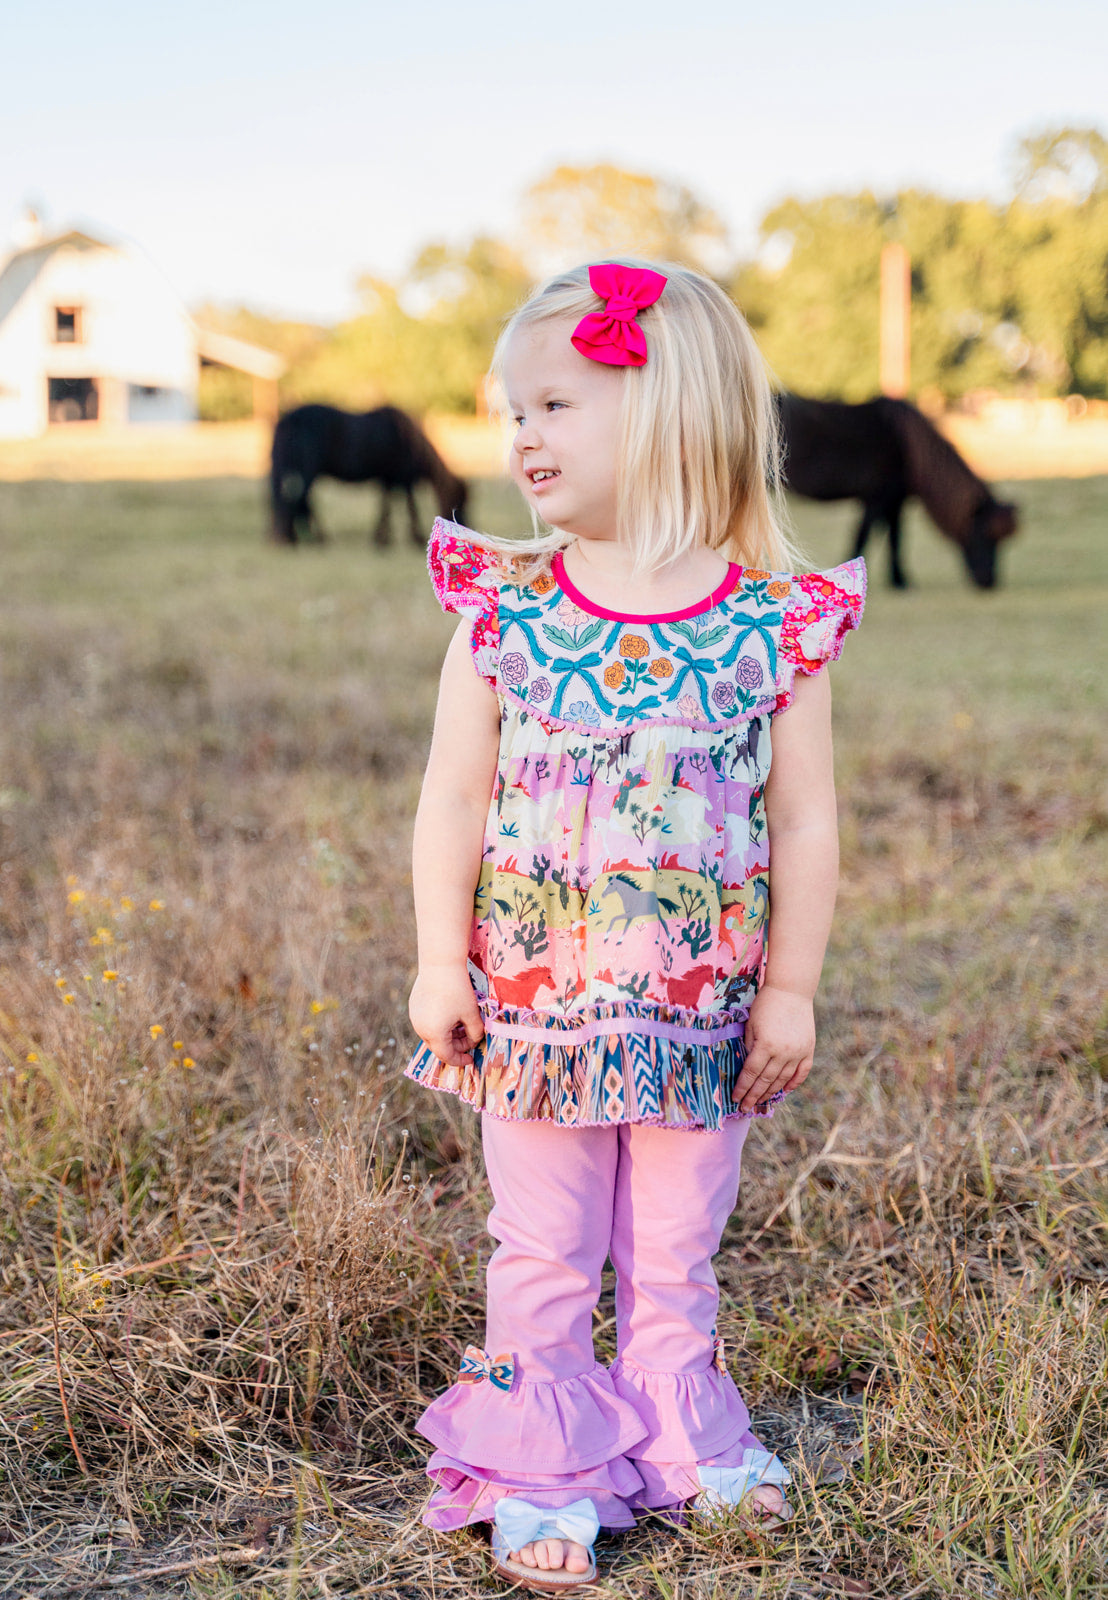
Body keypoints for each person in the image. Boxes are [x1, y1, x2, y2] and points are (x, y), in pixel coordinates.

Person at [406, 261, 866, 1590]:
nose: (521, 437)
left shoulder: (772, 629)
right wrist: (442, 958)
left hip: (703, 1018)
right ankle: (538, 1459)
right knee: (539, 1247)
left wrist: (792, 988)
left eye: (554, 404)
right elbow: (452, 794)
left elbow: (809, 825)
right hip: (532, 1014)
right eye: (514, 412)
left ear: (664, 408)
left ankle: (677, 1433)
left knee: (676, 1251)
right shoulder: (506, 607)